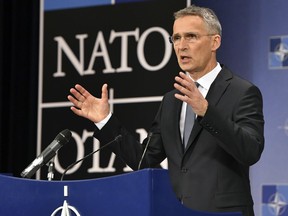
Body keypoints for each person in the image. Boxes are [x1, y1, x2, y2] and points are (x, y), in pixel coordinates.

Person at [68, 5, 264, 216]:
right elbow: (145, 160)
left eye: (191, 36)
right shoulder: (171, 100)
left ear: (215, 42)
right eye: (176, 38)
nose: (181, 46)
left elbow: (250, 151)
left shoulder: (242, 91)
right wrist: (105, 120)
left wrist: (207, 112)